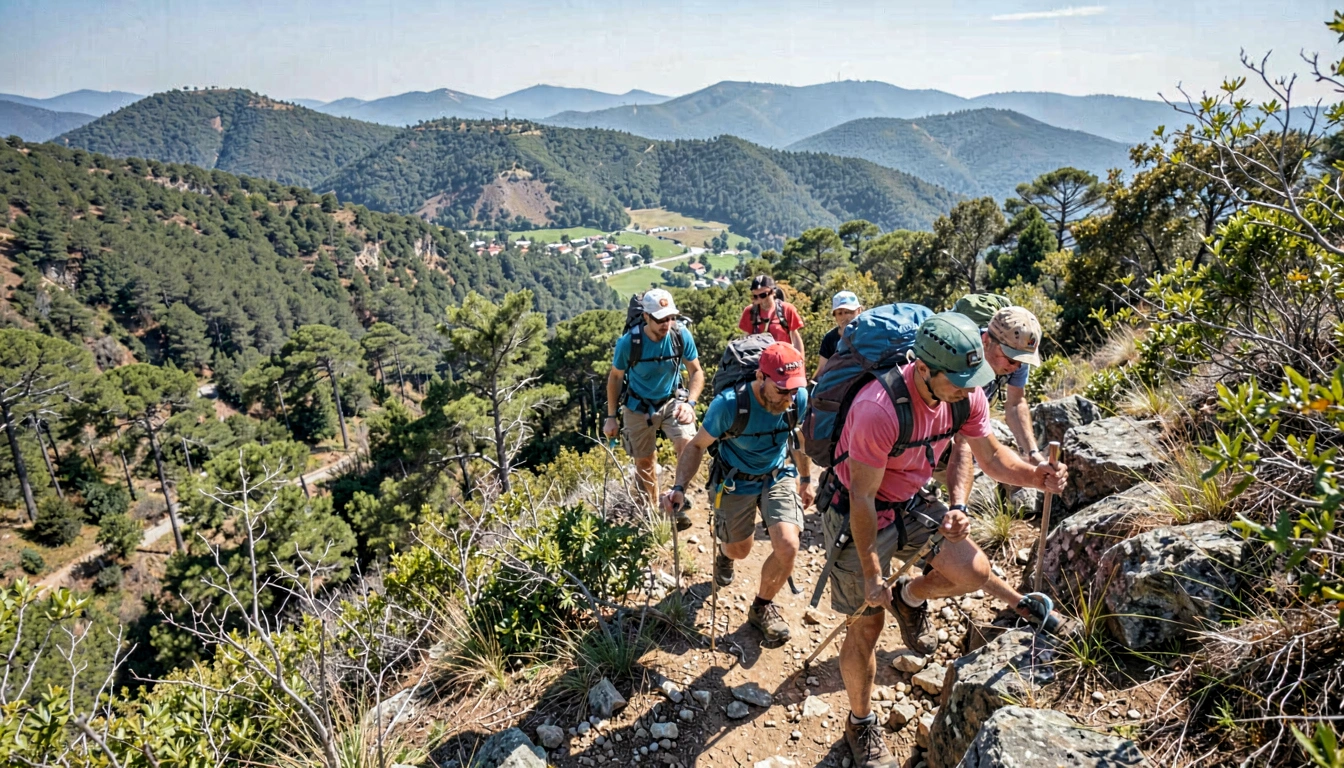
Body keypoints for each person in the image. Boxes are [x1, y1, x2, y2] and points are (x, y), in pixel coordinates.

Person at [821, 313, 1067, 768]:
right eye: (958, 380)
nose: (969, 387)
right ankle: (860, 722)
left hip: (911, 500)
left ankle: (909, 599)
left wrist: (1037, 476)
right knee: (867, 624)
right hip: (857, 509)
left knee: (971, 570)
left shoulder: (965, 393)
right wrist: (874, 574)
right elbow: (862, 498)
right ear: (925, 368)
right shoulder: (879, 408)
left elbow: (990, 457)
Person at [661, 343, 813, 645]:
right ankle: (724, 554)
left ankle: (762, 607)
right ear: (761, 377)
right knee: (739, 550)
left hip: (776, 475)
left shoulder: (798, 399)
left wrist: (806, 478)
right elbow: (696, 446)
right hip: (735, 481)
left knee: (788, 545)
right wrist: (679, 487)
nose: (790, 397)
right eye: (782, 390)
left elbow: (799, 437)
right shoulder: (729, 405)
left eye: (794, 390)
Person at [942, 304, 1061, 630]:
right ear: (986, 341)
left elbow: (1015, 403)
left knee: (948, 526)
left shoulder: (1013, 357)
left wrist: (1033, 456)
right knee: (942, 519)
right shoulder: (959, 358)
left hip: (961, 435)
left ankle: (935, 578)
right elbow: (964, 447)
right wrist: (958, 503)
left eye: (1021, 362)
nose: (1013, 367)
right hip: (932, 437)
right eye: (1008, 359)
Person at [604, 289, 705, 525]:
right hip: (637, 405)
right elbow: (615, 378)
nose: (666, 324)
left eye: (670, 317)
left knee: (688, 443)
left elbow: (696, 371)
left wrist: (690, 403)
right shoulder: (629, 343)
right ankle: (651, 514)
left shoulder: (681, 335)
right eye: (660, 319)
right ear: (646, 317)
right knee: (645, 462)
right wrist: (611, 417)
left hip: (672, 400)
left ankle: (678, 497)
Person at [739, 275, 805, 355]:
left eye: (763, 295)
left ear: (773, 292)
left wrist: (801, 362)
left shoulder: (787, 309)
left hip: (783, 360)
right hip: (758, 362)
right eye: (755, 296)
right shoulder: (750, 312)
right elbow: (747, 340)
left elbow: (795, 338)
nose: (760, 299)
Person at [817, 290, 864, 377]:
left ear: (859, 311)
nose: (844, 317)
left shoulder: (867, 332)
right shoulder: (830, 338)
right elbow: (822, 369)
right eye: (840, 313)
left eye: (848, 312)